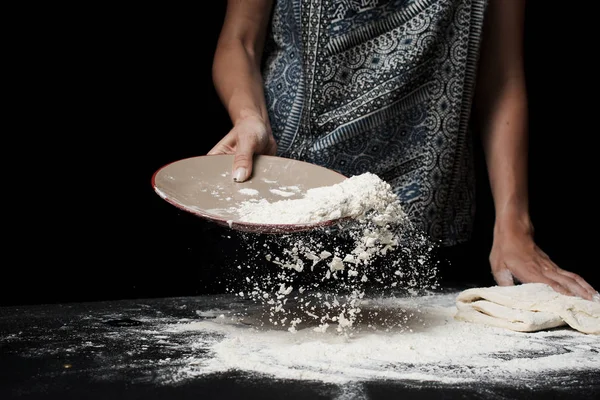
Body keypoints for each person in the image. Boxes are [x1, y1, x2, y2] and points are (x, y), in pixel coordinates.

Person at [207, 0, 597, 300]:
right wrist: (248, 116)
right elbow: (239, 40)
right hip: (284, 202)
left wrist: (514, 223)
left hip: (426, 222)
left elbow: (500, 75)